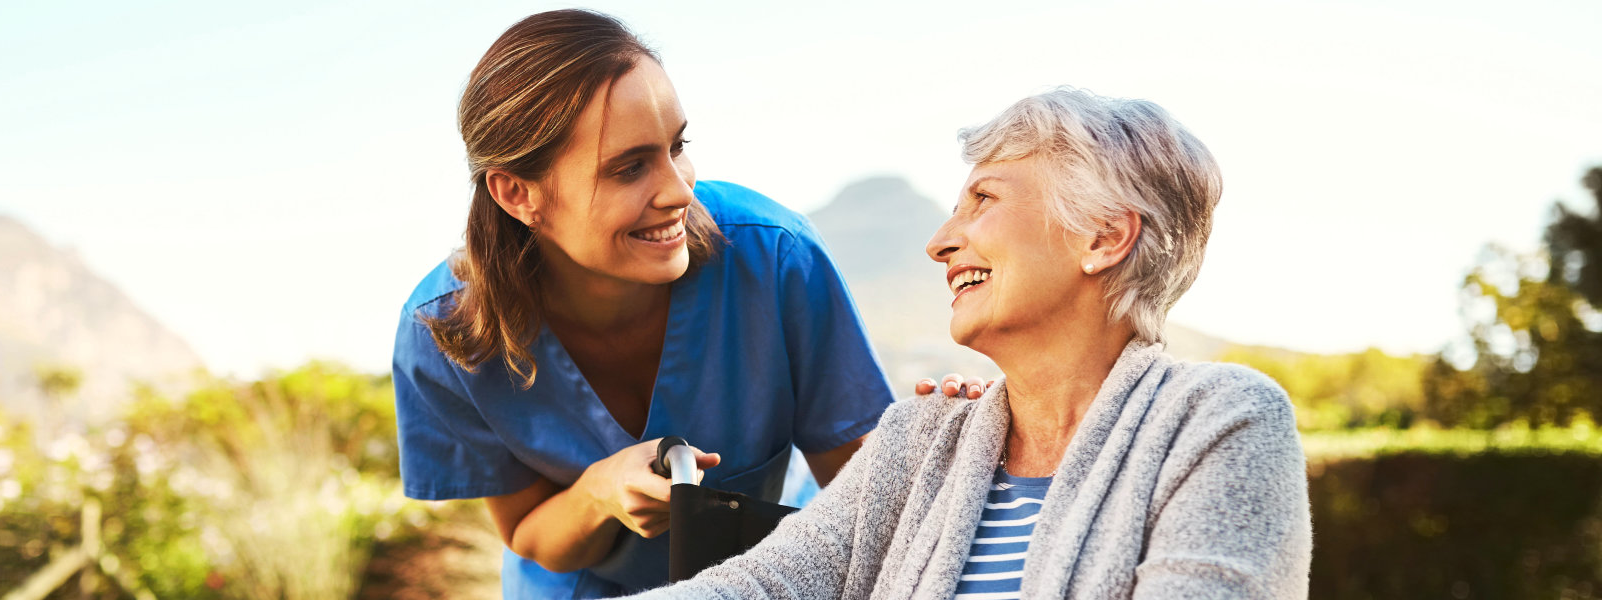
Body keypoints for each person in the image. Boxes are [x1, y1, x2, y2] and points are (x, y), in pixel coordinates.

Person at [622, 88, 1313, 599]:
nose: (939, 242)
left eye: (982, 200)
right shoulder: (921, 439)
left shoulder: (1222, 420)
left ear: (1103, 237)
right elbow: (760, 584)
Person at [390, 10, 967, 598]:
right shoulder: (445, 335)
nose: (679, 189)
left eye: (677, 146)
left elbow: (864, 507)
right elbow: (528, 535)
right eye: (629, 168)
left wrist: (948, 444)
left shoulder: (775, 257)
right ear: (517, 193)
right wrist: (599, 492)